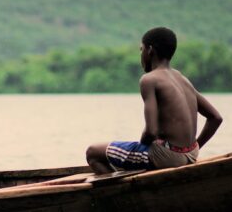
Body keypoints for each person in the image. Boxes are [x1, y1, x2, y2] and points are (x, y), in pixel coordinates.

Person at [86, 27, 222, 174]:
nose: (141, 54)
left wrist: (141, 148)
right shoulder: (182, 79)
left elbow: (151, 132)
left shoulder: (149, 79)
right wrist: (195, 148)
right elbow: (216, 118)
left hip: (166, 157)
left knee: (93, 153)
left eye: (141, 49)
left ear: (150, 50)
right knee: (134, 153)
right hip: (191, 154)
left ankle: (119, 194)